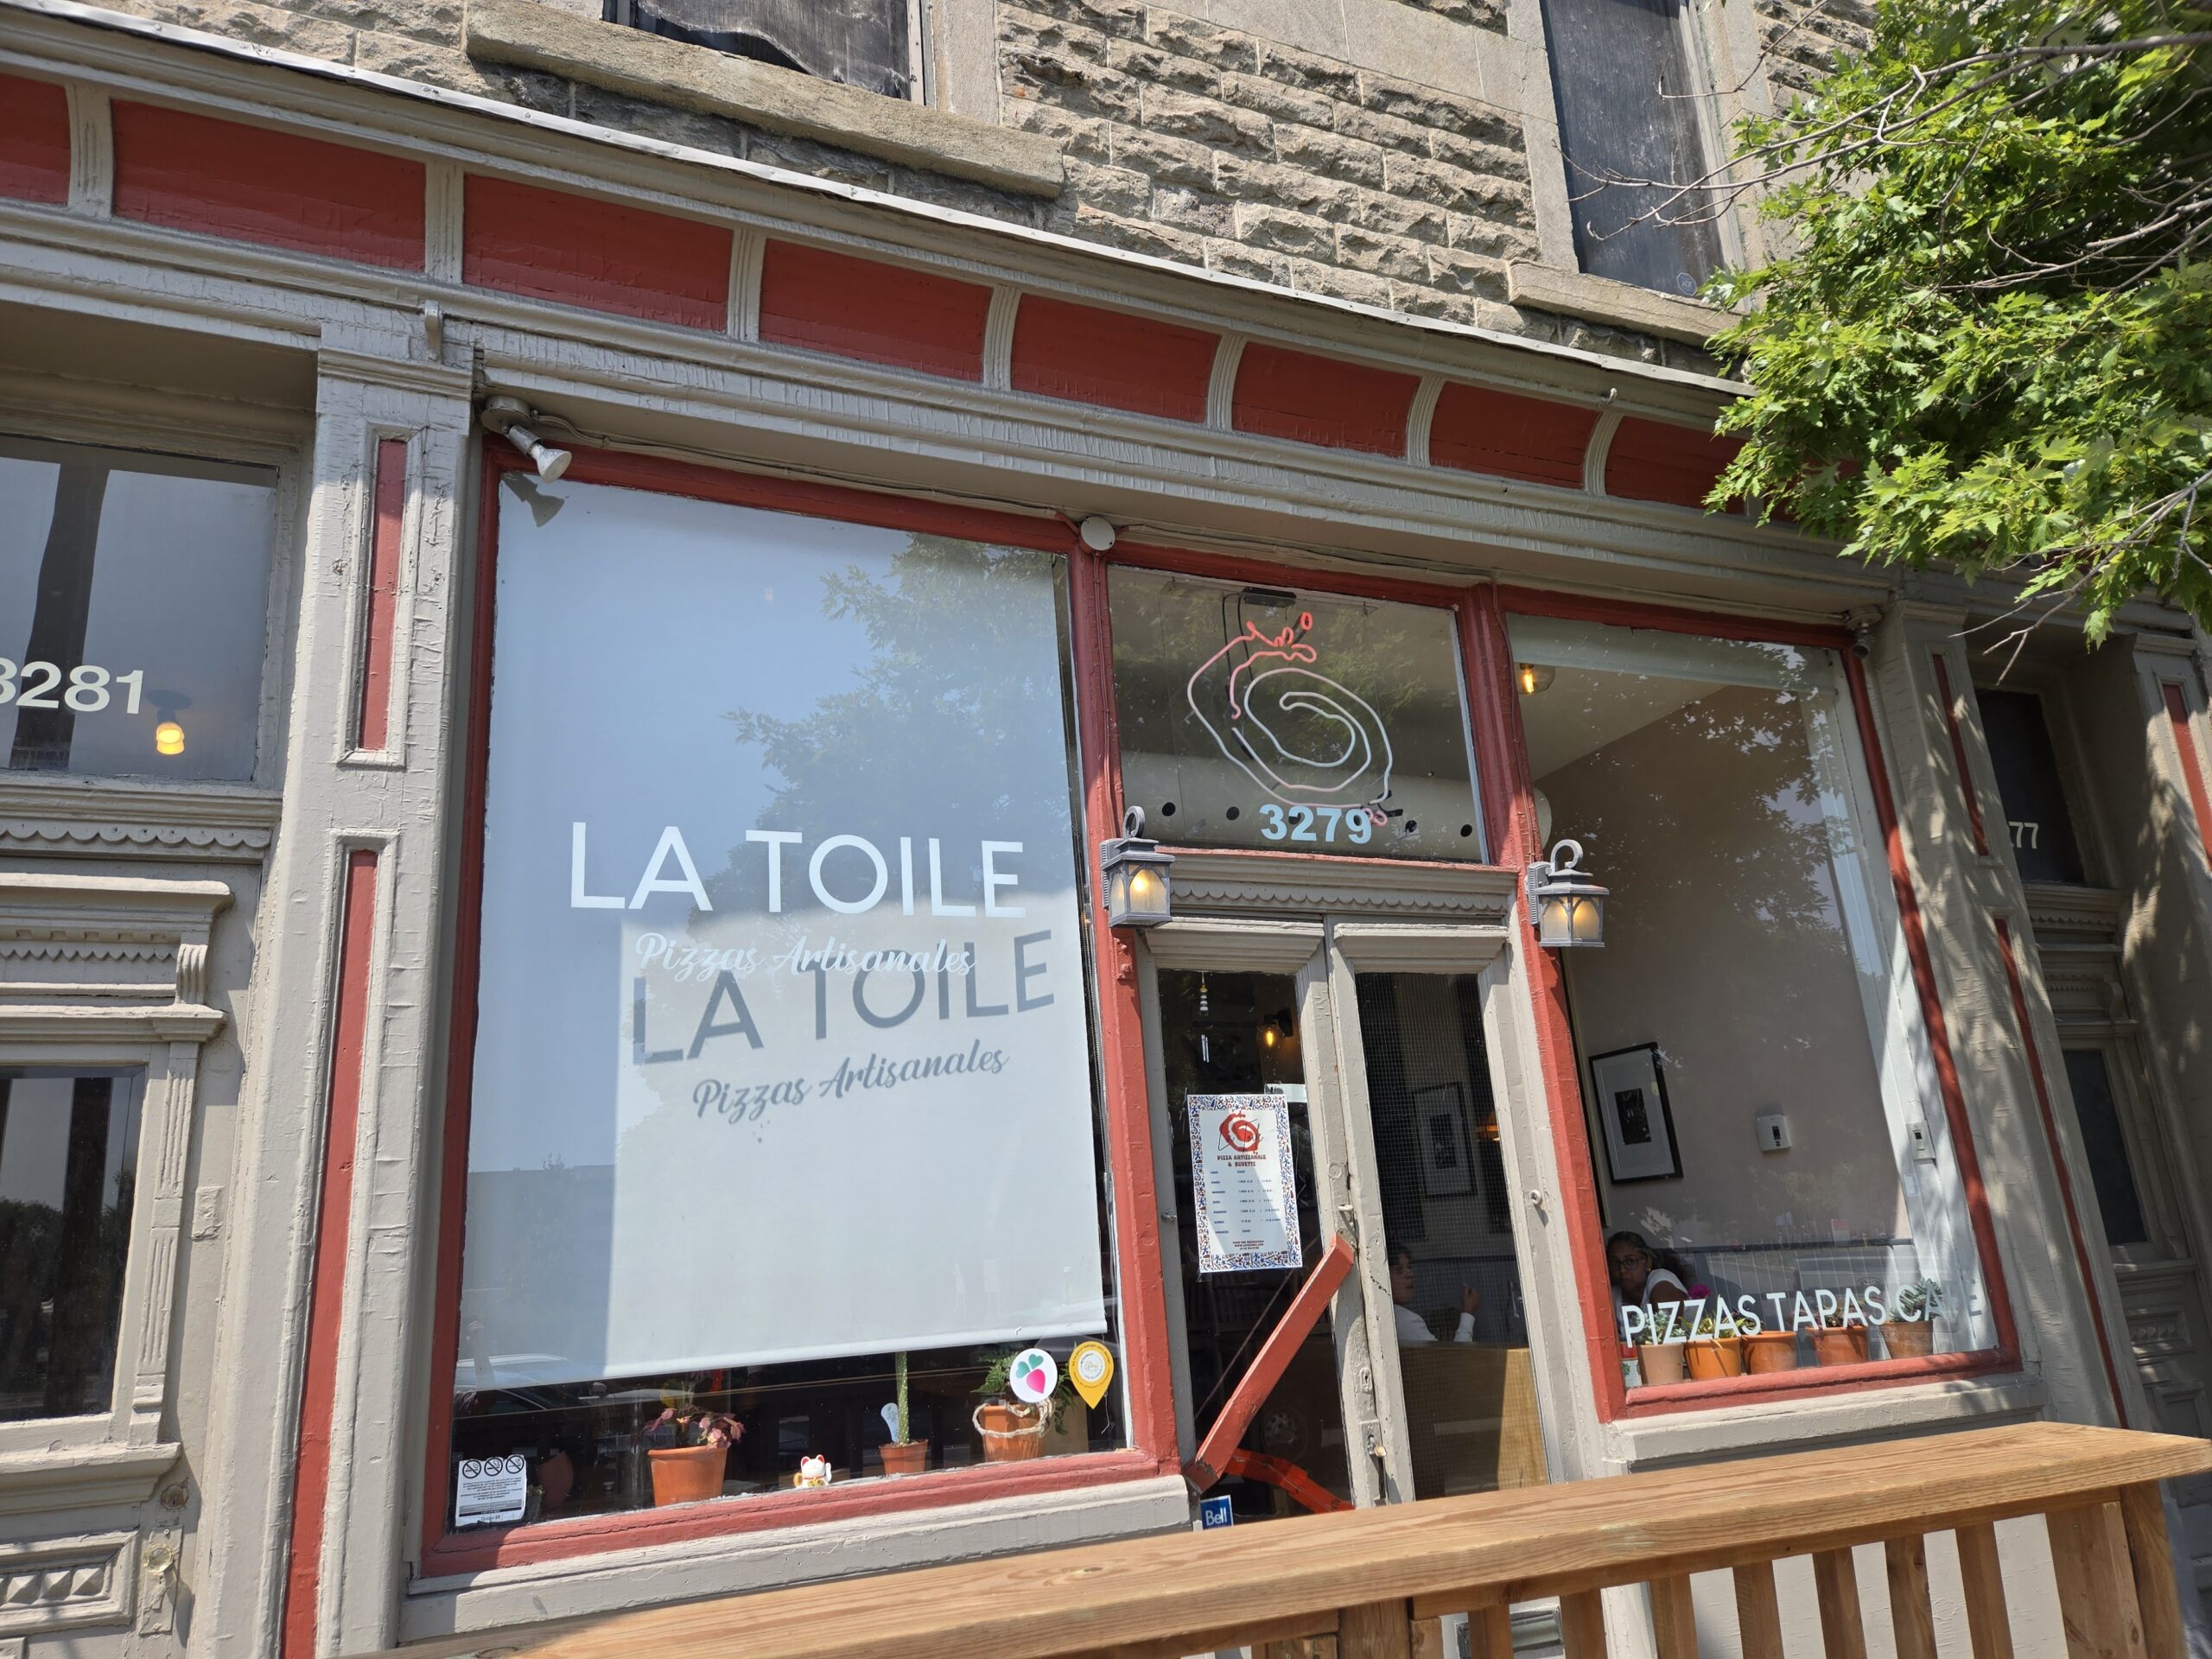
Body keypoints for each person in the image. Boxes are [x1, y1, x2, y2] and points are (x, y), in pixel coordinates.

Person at [1389, 1240, 1479, 1344]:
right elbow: (1458, 1354)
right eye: (1399, 1270)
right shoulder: (1404, 1320)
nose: (1410, 1274)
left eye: (1409, 1267)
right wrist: (1468, 1313)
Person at [1606, 1230, 1694, 1317]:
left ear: (1648, 1263)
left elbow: (1666, 1325)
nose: (1622, 1270)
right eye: (1614, 1262)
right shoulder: (1615, 1294)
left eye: (1630, 1261)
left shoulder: (1660, 1281)